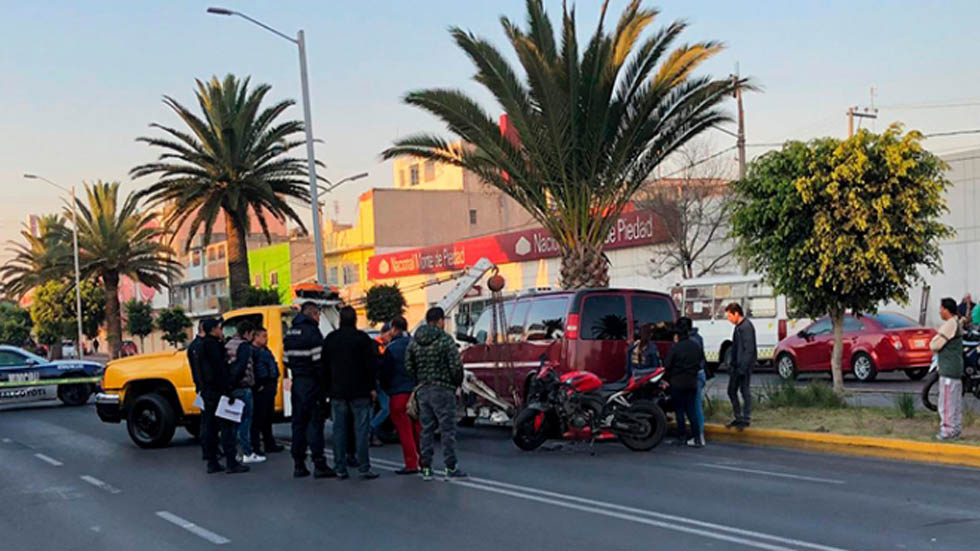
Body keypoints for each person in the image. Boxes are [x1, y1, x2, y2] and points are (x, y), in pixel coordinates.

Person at [406, 306, 467, 481]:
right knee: (447, 430)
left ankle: (426, 468)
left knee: (426, 430)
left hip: (423, 390)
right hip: (443, 389)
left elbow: (409, 366)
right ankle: (450, 467)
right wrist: (454, 383)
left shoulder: (415, 341)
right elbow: (456, 366)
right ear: (440, 320)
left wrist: (419, 380)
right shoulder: (445, 340)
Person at [322, 306, 380, 480]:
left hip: (338, 392)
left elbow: (324, 367)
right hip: (360, 391)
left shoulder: (331, 339)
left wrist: (327, 389)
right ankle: (364, 467)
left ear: (340, 320)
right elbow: (371, 366)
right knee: (361, 430)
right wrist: (372, 388)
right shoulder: (362, 339)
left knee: (339, 430)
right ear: (355, 320)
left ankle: (340, 467)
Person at [284, 302, 334, 479]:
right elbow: (319, 362)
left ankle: (298, 464)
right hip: (312, 383)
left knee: (298, 423)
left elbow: (286, 360)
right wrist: (324, 386)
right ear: (312, 314)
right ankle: (319, 463)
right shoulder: (312, 333)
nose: (319, 319)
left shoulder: (290, 333)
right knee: (314, 423)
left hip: (297, 382)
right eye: (318, 315)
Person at [199, 319, 249, 474]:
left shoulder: (200, 346)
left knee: (211, 428)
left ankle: (212, 462)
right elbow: (220, 370)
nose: (222, 331)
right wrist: (227, 390)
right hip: (218, 392)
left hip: (207, 392)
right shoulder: (214, 346)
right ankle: (231, 462)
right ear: (213, 330)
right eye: (220, 328)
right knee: (227, 428)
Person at [379, 316, 420, 474]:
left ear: (394, 329)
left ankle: (411, 463)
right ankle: (424, 461)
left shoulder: (391, 348)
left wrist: (386, 388)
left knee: (404, 430)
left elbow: (385, 373)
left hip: (398, 394)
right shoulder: (415, 345)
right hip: (416, 392)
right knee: (418, 428)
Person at [226, 320, 264, 465]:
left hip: (232, 389)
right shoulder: (244, 346)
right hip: (242, 387)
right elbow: (242, 367)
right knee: (245, 421)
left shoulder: (228, 344)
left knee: (234, 422)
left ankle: (236, 453)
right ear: (247, 333)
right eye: (252, 334)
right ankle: (247, 452)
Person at [665, 321, 705, 447]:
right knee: (691, 410)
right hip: (692, 382)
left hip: (677, 382)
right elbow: (700, 362)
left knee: (679, 411)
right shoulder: (695, 346)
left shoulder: (676, 348)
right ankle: (697, 437)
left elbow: (667, 365)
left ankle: (681, 437)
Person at [931, 297, 964, 441]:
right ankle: (955, 428)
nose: (939, 311)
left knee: (946, 403)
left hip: (949, 371)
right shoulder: (956, 322)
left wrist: (933, 341)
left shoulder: (950, 324)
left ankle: (947, 431)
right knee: (955, 403)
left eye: (941, 308)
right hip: (955, 369)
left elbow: (935, 345)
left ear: (946, 310)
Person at [250, 326, 284, 455]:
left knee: (268, 418)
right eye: (263, 336)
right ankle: (256, 446)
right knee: (258, 418)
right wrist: (259, 385)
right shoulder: (253, 351)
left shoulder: (265, 350)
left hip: (269, 386)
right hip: (261, 387)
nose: (266, 339)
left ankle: (269, 443)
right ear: (256, 336)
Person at [725, 302, 756, 429]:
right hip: (737, 365)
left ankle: (745, 418)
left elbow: (749, 349)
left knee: (744, 391)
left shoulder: (746, 327)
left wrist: (743, 367)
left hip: (743, 366)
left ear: (736, 314)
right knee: (732, 390)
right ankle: (739, 417)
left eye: (730, 316)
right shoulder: (738, 327)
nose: (729, 319)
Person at [679, 317, 708, 446]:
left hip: (694, 376)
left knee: (695, 407)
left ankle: (699, 436)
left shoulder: (691, 341)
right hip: (698, 374)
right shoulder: (698, 338)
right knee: (694, 406)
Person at [187, 320, 209, 460]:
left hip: (202, 386)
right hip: (204, 387)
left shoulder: (196, 345)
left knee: (208, 421)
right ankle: (208, 450)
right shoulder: (199, 346)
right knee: (207, 421)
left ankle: (209, 449)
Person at [370, 324, 392, 448]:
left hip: (377, 382)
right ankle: (371, 429)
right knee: (386, 407)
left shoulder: (383, 346)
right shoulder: (376, 346)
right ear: (382, 333)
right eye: (388, 334)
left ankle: (372, 432)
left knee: (376, 410)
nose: (389, 337)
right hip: (377, 382)